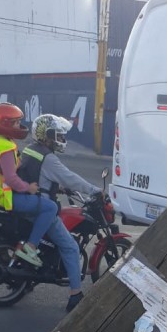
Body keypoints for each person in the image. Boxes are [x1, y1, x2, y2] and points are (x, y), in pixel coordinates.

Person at [17, 113, 103, 312]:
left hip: (28, 202)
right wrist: (94, 190)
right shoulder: (49, 158)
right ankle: (75, 295)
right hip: (42, 207)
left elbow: (37, 176)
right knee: (71, 247)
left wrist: (58, 188)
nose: (62, 139)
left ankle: (32, 273)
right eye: (58, 135)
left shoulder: (31, 150)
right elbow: (70, 177)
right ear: (47, 135)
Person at [0, 102, 57, 268]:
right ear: (4, 124)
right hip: (6, 198)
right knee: (50, 207)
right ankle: (31, 246)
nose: (18, 126)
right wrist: (29, 188)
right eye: (15, 122)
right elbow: (11, 179)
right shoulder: (6, 147)